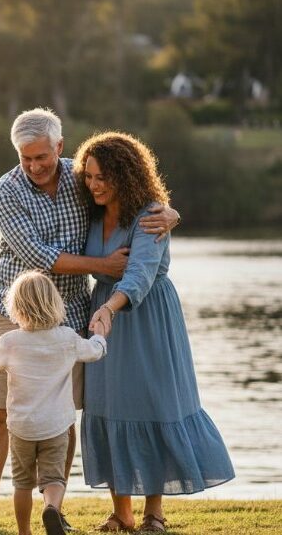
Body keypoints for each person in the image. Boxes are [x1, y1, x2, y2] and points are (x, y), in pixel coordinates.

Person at [0, 108, 181, 533]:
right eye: (25, 158)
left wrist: (170, 213)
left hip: (73, 315)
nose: (34, 166)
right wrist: (101, 264)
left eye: (42, 157)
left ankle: (55, 506)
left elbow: (131, 197)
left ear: (59, 147)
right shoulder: (5, 192)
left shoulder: (82, 178)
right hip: (15, 316)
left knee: (61, 415)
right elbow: (36, 255)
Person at [74, 132, 234, 532]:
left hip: (145, 317)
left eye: (101, 177)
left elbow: (141, 274)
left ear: (124, 175)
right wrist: (103, 307)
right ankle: (121, 512)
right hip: (104, 315)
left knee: (150, 404)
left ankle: (154, 513)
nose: (93, 185)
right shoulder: (91, 212)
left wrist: (110, 308)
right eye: (89, 176)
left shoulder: (150, 215)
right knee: (108, 404)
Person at [0, 271, 108, 535]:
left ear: (16, 308)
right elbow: (95, 351)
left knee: (22, 483)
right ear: (55, 303)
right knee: (53, 478)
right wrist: (99, 334)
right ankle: (52, 507)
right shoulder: (67, 338)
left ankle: (24, 531)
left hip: (22, 428)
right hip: (56, 426)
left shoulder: (10, 341)